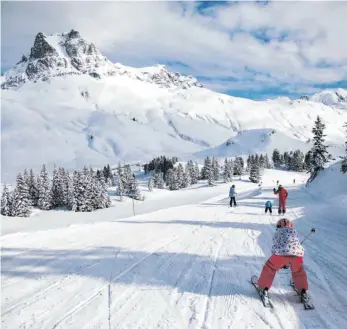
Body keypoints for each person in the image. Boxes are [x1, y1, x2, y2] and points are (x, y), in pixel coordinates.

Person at [256, 218, 309, 302]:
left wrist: (280, 261)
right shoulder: (294, 232)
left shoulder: (278, 233)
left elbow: (275, 246)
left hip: (281, 254)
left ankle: (263, 288)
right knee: (298, 271)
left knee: (270, 267)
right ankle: (303, 291)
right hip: (297, 255)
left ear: (278, 226)